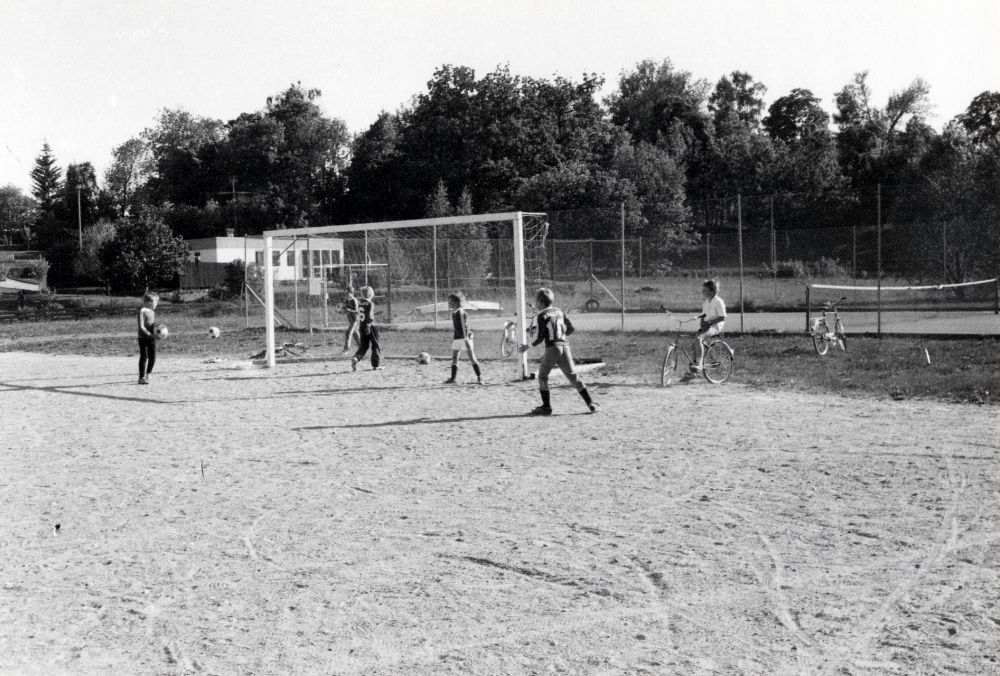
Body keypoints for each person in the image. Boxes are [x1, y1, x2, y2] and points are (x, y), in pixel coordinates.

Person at [519, 287, 597, 415]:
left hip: (552, 348)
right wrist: (560, 336)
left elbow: (540, 338)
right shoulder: (560, 311)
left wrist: (526, 346)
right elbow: (571, 328)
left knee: (543, 376)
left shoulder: (542, 315)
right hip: (565, 346)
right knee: (573, 377)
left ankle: (546, 407)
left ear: (540, 302)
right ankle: (591, 403)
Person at [686, 279, 727, 379]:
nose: (702, 292)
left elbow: (722, 317)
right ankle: (694, 372)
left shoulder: (718, 301)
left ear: (712, 291)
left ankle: (699, 364)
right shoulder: (706, 302)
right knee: (694, 345)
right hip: (707, 326)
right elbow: (704, 315)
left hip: (715, 326)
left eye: (705, 290)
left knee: (699, 339)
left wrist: (709, 323)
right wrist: (702, 322)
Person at [444, 292, 483, 385]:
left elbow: (464, 326)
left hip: (465, 338)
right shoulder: (454, 312)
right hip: (457, 338)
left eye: (450, 302)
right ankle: (453, 379)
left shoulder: (461, 312)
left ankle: (480, 378)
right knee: (454, 358)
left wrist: (467, 340)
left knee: (472, 358)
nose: (449, 304)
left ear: (456, 302)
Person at [350, 286, 382, 371]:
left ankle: (356, 358)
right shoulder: (370, 303)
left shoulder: (360, 303)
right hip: (370, 326)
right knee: (375, 344)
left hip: (362, 326)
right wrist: (369, 324)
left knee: (364, 346)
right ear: (371, 294)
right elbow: (369, 315)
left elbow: (363, 313)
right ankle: (376, 365)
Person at [137, 291, 159, 385]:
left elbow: (153, 325)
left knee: (153, 357)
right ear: (150, 301)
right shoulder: (142, 311)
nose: (156, 304)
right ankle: (141, 377)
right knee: (144, 356)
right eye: (156, 302)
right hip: (143, 338)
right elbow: (141, 326)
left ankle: (148, 373)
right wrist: (149, 334)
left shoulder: (152, 312)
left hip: (151, 338)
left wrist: (158, 332)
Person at [341, 286, 361, 354]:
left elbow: (356, 310)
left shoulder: (354, 300)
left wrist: (349, 310)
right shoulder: (346, 300)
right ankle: (361, 348)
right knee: (355, 334)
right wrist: (342, 311)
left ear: (352, 293)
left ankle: (347, 349)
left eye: (348, 293)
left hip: (355, 319)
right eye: (346, 293)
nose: (347, 294)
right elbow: (345, 309)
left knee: (348, 333)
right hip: (350, 320)